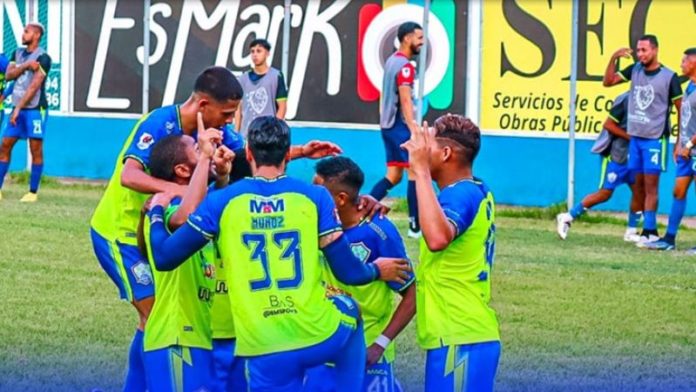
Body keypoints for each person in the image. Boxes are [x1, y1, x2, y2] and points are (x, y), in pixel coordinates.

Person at [89, 66, 340, 391]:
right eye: (226, 113)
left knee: (149, 321)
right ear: (203, 104)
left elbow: (246, 156)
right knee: (157, 318)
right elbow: (130, 176)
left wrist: (301, 152)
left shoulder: (209, 137)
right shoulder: (161, 123)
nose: (230, 119)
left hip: (158, 228)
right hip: (119, 234)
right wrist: (184, 192)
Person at [146, 116, 411, 391]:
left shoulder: (222, 201)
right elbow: (349, 272)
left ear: (249, 153)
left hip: (264, 345)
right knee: (350, 309)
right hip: (315, 334)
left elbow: (165, 258)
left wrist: (155, 212)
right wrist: (377, 269)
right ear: (288, 155)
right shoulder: (315, 197)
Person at [402, 114, 500, 391]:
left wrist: (420, 170)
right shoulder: (471, 189)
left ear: (445, 153)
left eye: (426, 145)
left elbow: (437, 238)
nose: (419, 151)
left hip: (461, 334)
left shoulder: (461, 194)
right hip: (459, 335)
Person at [305, 156, 416, 392]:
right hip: (321, 347)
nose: (312, 197)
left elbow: (413, 295)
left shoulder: (379, 231)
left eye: (318, 191)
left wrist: (380, 344)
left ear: (341, 199)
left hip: (366, 351)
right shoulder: (312, 225)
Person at [139, 125, 233, 391]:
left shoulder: (197, 209)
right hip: (175, 336)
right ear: (181, 170)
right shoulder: (163, 205)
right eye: (195, 147)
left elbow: (209, 209)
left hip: (198, 338)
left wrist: (222, 178)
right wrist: (205, 158)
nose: (205, 148)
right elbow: (188, 214)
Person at [603, 34, 683, 244]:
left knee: (651, 186)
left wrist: (679, 141)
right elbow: (608, 82)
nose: (640, 54)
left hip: (655, 139)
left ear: (655, 50)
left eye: (644, 50)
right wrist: (613, 58)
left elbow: (682, 110)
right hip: (635, 139)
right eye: (638, 51)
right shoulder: (635, 70)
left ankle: (650, 230)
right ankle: (647, 230)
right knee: (638, 186)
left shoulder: (669, 77)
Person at [556, 92, 645, 241]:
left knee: (639, 191)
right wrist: (631, 138)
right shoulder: (625, 99)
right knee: (605, 193)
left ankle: (631, 231)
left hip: (634, 156)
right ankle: (567, 216)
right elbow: (608, 125)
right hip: (617, 156)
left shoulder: (649, 99)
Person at [369, 22, 424, 238]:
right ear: (407, 38)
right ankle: (415, 226)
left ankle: (362, 209)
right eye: (419, 38)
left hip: (387, 125)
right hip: (400, 126)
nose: (422, 42)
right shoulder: (406, 66)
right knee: (415, 173)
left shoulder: (392, 61)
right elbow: (405, 99)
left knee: (393, 175)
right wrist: (413, 127)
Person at [644, 48, 696, 251]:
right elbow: (685, 120)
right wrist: (678, 144)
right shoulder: (689, 87)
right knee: (678, 192)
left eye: (685, 61)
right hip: (685, 152)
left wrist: (690, 145)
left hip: (692, 149)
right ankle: (669, 239)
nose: (681, 64)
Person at [0, 22, 51, 202]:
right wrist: (26, 65)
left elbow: (34, 87)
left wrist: (19, 108)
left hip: (35, 110)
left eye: (27, 31)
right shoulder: (18, 53)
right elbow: (8, 75)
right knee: (5, 145)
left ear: (36, 35)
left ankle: (32, 192)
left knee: (35, 149)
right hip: (17, 109)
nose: (23, 34)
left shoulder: (44, 58)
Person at [235, 38, 288, 138]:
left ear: (267, 53)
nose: (255, 54)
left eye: (259, 51)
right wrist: (237, 132)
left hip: (268, 135)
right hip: (247, 134)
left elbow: (282, 106)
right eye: (252, 51)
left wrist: (274, 129)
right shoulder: (243, 79)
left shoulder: (276, 76)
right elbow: (239, 108)